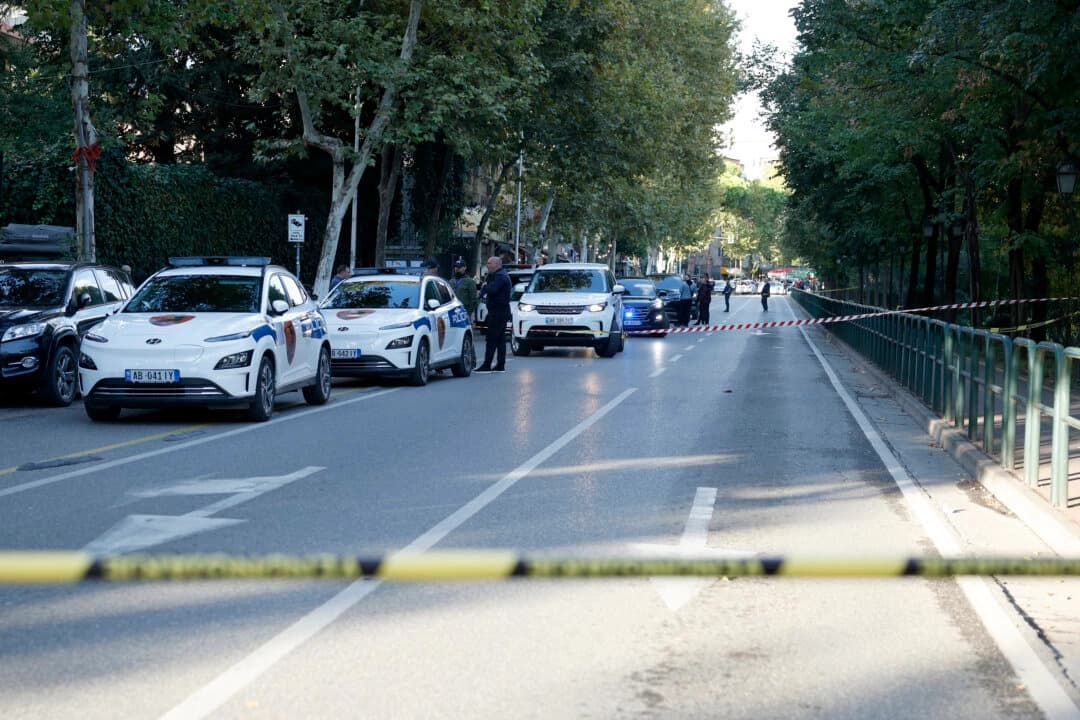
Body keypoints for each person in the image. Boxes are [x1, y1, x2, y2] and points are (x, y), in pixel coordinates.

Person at [475, 256, 511, 372]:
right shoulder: (495, 275)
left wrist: (485, 287)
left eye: (489, 263)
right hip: (497, 311)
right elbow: (486, 288)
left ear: (497, 264)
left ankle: (487, 364)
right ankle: (500, 364)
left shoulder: (500, 276)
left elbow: (492, 289)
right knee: (500, 339)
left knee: (492, 338)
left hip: (498, 311)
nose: (488, 265)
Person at [451, 257, 478, 322]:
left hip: (464, 312)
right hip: (452, 312)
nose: (457, 269)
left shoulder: (470, 282)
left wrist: (468, 313)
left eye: (459, 267)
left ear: (465, 268)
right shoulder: (451, 281)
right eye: (456, 267)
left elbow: (474, 300)